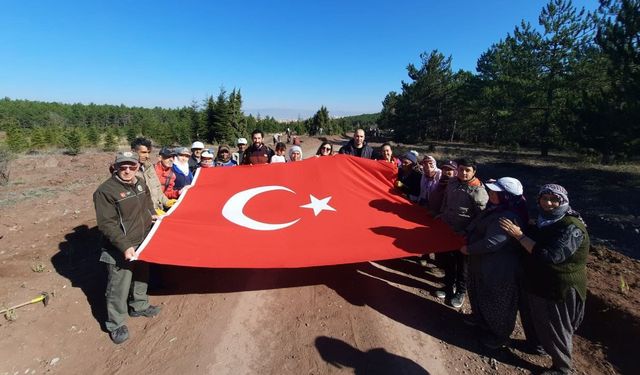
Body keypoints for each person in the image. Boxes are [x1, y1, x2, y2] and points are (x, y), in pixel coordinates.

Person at [500, 184, 589, 374]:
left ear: (563, 201)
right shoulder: (544, 221)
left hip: (559, 287)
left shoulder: (571, 227)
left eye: (554, 200)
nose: (549, 203)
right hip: (537, 280)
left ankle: (562, 368)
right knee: (533, 316)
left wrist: (520, 236)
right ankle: (536, 346)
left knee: (556, 327)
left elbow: (550, 255)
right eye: (544, 199)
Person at [93, 151, 161, 344]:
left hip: (143, 239)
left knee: (141, 275)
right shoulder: (105, 191)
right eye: (123, 166)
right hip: (120, 246)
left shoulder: (140, 182)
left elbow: (147, 202)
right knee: (118, 286)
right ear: (115, 167)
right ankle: (115, 323)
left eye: (132, 166)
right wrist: (124, 245)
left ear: (137, 167)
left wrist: (152, 214)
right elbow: (106, 224)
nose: (128, 170)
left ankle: (139, 305)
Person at [461, 177, 528, 349]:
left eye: (496, 192)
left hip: (498, 268)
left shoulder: (508, 217)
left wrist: (469, 249)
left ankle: (499, 336)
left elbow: (492, 243)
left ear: (506, 196)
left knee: (497, 301)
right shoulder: (496, 208)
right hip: (483, 264)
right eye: (491, 191)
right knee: (480, 293)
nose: (491, 194)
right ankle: (481, 320)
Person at [436, 157, 489, 308]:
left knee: (463, 266)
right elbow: (446, 201)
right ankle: (448, 286)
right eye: (461, 170)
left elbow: (481, 217)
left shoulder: (478, 190)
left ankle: (460, 292)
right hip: (448, 230)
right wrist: (441, 214)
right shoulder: (452, 182)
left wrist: (468, 232)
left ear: (474, 172)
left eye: (467, 170)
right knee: (449, 261)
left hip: (465, 235)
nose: (464, 173)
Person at [130, 137, 174, 214]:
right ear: (133, 151)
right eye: (143, 152)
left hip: (158, 210)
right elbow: (132, 201)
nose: (147, 156)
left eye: (148, 152)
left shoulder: (149, 167)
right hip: (143, 215)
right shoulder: (128, 171)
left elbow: (158, 189)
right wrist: (151, 212)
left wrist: (167, 202)